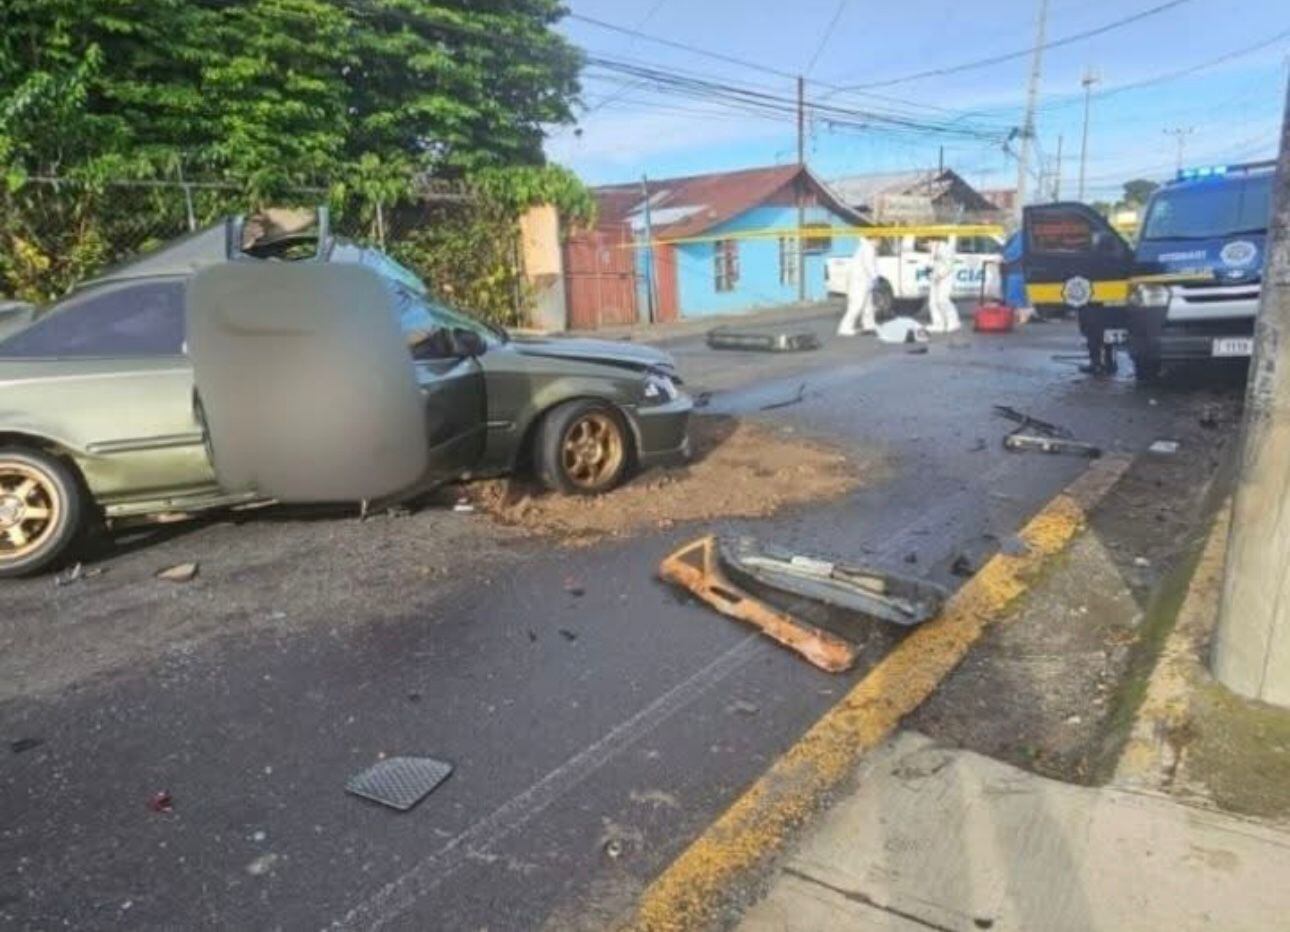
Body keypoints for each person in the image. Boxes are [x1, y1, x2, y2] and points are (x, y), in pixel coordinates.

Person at [837, 236, 879, 336]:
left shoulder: (865, 247)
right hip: (859, 281)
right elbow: (868, 265)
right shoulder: (868, 248)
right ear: (874, 238)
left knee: (867, 305)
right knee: (857, 305)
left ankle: (869, 325)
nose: (880, 243)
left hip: (865, 281)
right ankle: (845, 327)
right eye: (879, 239)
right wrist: (875, 276)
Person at [925, 240, 962, 334]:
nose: (926, 246)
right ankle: (938, 324)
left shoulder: (945, 248)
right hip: (935, 276)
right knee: (933, 301)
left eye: (927, 243)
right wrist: (930, 271)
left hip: (946, 277)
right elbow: (931, 263)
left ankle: (954, 322)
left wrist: (941, 275)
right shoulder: (933, 249)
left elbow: (950, 265)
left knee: (943, 300)